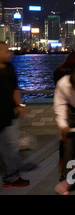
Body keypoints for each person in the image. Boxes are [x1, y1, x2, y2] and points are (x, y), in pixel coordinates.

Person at [0, 41, 30, 188]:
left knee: (11, 145)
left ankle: (11, 176)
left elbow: (15, 89)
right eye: (6, 51)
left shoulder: (10, 68)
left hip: (9, 113)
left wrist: (19, 105)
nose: (10, 54)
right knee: (7, 146)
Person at [53, 50, 75, 179]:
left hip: (63, 110)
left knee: (65, 142)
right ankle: (73, 177)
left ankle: (64, 172)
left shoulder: (58, 71)